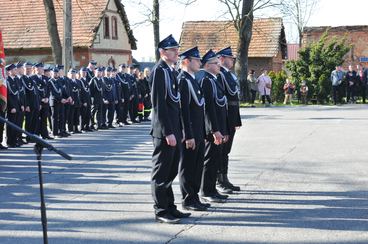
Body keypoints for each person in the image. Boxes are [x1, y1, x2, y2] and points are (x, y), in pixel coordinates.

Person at [150, 34, 190, 224]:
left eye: (176, 49)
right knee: (161, 173)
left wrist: (179, 130)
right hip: (165, 132)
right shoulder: (159, 71)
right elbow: (159, 105)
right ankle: (161, 210)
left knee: (171, 171)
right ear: (162, 52)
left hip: (174, 130)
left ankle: (170, 207)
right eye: (172, 50)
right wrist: (168, 132)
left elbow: (176, 105)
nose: (176, 52)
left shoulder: (170, 71)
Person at [177, 46, 209, 212]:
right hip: (190, 132)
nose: (199, 62)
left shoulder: (192, 80)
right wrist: (188, 135)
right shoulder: (183, 80)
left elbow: (199, 111)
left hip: (197, 131)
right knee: (188, 166)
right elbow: (184, 111)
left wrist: (202, 133)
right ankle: (188, 199)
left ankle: (194, 197)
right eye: (196, 60)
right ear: (186, 61)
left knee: (197, 166)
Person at [199, 49, 229, 203]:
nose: (219, 65)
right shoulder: (206, 81)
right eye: (216, 63)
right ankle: (206, 190)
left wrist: (223, 129)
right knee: (209, 159)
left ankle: (212, 189)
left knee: (215, 159)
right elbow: (209, 108)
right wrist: (214, 130)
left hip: (219, 126)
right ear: (207, 65)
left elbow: (221, 107)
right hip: (211, 129)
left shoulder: (214, 80)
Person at [217, 46, 242, 193]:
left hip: (231, 118)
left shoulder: (228, 75)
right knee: (220, 151)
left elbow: (235, 100)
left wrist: (236, 120)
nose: (232, 59)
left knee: (226, 151)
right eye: (229, 57)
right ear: (221, 59)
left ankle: (224, 179)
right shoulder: (219, 75)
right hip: (224, 118)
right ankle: (219, 181)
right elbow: (223, 101)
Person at [32, 63, 52, 139]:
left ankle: (45, 135)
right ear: (36, 69)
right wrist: (41, 100)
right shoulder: (33, 78)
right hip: (38, 102)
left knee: (44, 119)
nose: (41, 70)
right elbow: (34, 92)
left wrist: (47, 97)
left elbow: (48, 89)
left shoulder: (45, 78)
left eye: (42, 68)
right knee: (36, 119)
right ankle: (36, 135)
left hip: (45, 102)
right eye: (39, 69)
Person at [6, 63, 22, 147]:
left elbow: (19, 93)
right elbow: (8, 95)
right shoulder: (7, 81)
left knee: (16, 124)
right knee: (11, 124)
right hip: (11, 106)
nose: (16, 71)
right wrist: (11, 106)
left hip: (18, 105)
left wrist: (21, 104)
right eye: (14, 69)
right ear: (10, 71)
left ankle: (15, 140)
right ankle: (10, 141)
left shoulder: (16, 79)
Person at [78, 67, 92, 132]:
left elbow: (88, 91)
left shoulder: (86, 80)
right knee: (83, 115)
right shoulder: (80, 81)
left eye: (85, 72)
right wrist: (83, 101)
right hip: (83, 101)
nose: (84, 73)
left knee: (88, 114)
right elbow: (80, 93)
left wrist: (89, 101)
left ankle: (87, 126)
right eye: (83, 72)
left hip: (88, 100)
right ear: (80, 73)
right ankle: (82, 127)